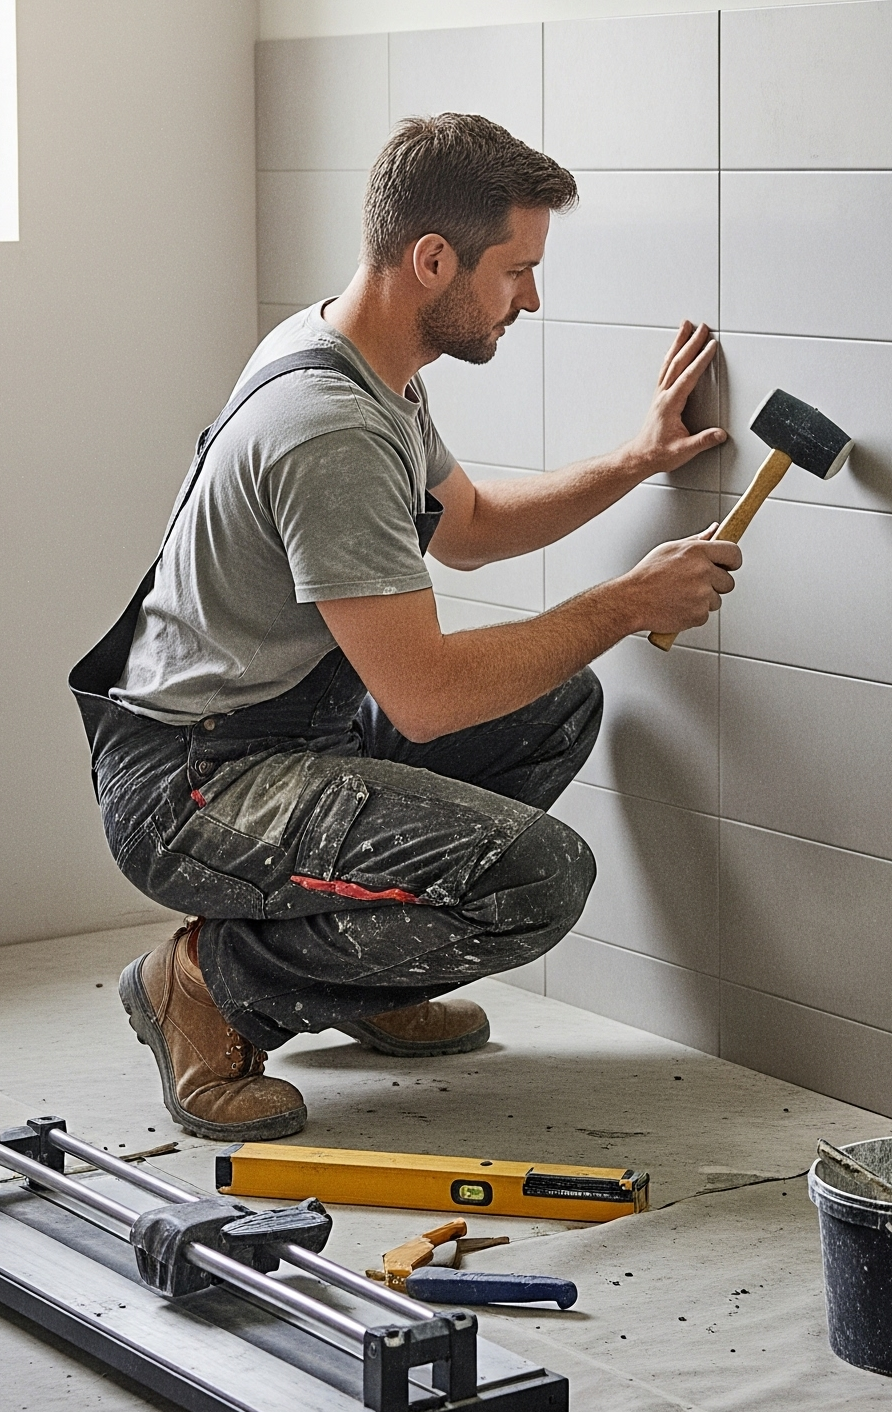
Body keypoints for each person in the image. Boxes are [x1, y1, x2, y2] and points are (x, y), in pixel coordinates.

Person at [69, 113, 740, 1141]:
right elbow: (424, 698)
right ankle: (205, 983)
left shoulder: (360, 358)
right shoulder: (329, 429)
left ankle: (369, 976)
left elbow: (465, 529)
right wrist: (624, 603)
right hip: (197, 785)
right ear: (433, 259)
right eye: (517, 269)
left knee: (554, 705)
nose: (532, 297)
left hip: (274, 741)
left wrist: (632, 460)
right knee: (536, 877)